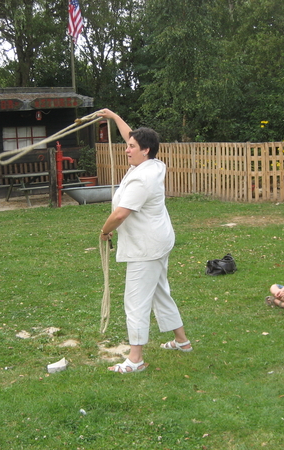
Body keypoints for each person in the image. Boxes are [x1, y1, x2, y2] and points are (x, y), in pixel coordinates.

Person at [96, 109, 191, 374]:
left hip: (146, 248)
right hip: (158, 241)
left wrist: (104, 232)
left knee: (136, 301)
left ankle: (135, 359)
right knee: (160, 291)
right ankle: (182, 342)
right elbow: (131, 135)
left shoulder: (143, 177)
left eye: (131, 147)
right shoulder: (151, 163)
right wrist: (113, 116)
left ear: (145, 150)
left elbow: (121, 214)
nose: (126, 150)